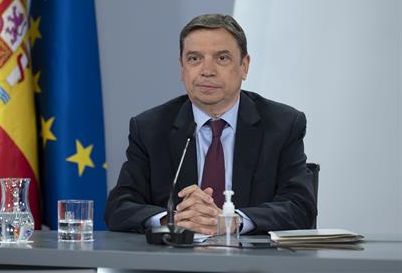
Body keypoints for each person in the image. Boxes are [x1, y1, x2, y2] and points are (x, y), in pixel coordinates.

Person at [104, 14, 317, 235]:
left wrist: (232, 222)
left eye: (222, 58)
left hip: (255, 265)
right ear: (182, 67)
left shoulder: (282, 124)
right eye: (194, 59)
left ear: (244, 66)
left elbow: (300, 207)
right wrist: (173, 219)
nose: (207, 70)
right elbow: (119, 206)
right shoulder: (150, 127)